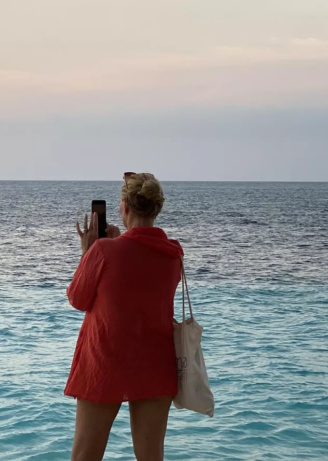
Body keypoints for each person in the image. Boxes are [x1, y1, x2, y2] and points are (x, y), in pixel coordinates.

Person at [67, 172, 183, 461]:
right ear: (156, 209)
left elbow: (78, 299)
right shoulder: (173, 254)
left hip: (106, 362)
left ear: (125, 208)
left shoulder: (104, 250)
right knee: (151, 457)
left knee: (85, 456)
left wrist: (88, 252)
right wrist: (120, 242)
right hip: (156, 363)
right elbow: (139, 279)